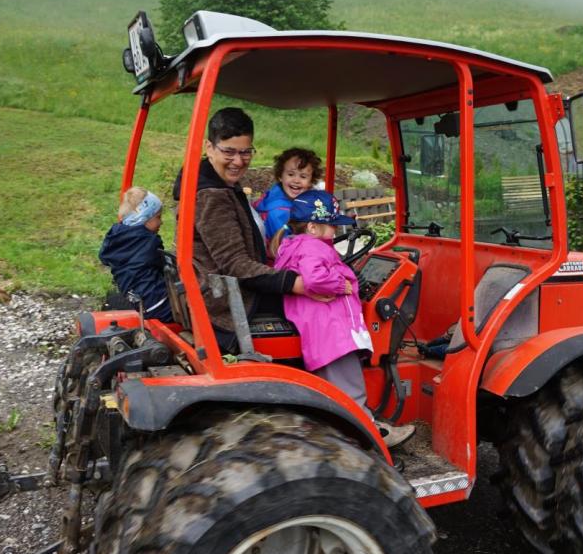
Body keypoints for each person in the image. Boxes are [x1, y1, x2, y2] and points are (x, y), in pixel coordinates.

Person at [273, 190, 415, 448]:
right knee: (350, 389)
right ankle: (370, 436)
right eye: (331, 226)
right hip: (333, 332)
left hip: (316, 325)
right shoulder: (313, 247)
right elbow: (315, 279)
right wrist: (343, 285)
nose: (335, 232)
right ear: (313, 227)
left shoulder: (291, 245)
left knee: (333, 388)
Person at [175, 107, 310, 351]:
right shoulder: (212, 196)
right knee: (329, 303)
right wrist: (296, 282)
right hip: (228, 303)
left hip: (223, 290)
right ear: (209, 147)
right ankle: (344, 382)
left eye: (245, 152)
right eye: (229, 152)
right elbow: (235, 264)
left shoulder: (219, 185)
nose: (238, 161)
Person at [98, 186, 173, 322]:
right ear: (143, 217)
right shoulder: (150, 241)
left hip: (137, 302)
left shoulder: (116, 237)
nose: (161, 222)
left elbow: (104, 257)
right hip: (158, 303)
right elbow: (164, 266)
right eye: (158, 217)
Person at [255, 147, 323, 243]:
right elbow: (286, 248)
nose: (296, 180)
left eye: (303, 176)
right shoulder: (278, 212)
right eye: (291, 174)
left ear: (311, 182)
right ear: (280, 176)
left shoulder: (306, 201)